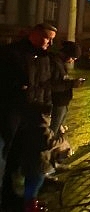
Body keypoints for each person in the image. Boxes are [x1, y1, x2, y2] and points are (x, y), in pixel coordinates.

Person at [0, 23, 57, 211]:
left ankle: (13, 196)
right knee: (4, 152)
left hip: (32, 112)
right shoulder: (13, 53)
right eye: (47, 38)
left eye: (51, 40)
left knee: (19, 156)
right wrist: (17, 87)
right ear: (34, 34)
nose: (49, 43)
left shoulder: (44, 58)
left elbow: (45, 84)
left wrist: (45, 104)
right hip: (10, 111)